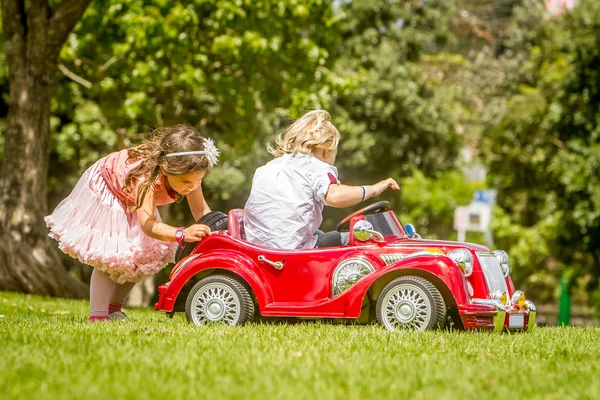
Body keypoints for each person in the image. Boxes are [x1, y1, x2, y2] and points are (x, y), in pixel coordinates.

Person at [45, 125, 219, 322]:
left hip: (134, 199)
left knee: (144, 255)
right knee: (111, 258)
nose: (193, 186)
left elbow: (201, 211)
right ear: (165, 169)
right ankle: (98, 316)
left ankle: (114, 309)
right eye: (186, 182)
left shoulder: (191, 172)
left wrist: (217, 231)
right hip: (110, 189)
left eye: (198, 180)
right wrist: (181, 234)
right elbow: (148, 224)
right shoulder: (145, 180)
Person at [244, 110, 399, 249]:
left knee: (320, 233)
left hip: (259, 249)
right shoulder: (316, 167)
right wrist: (372, 189)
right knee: (355, 240)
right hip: (293, 251)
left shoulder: (269, 167)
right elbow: (335, 196)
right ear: (326, 149)